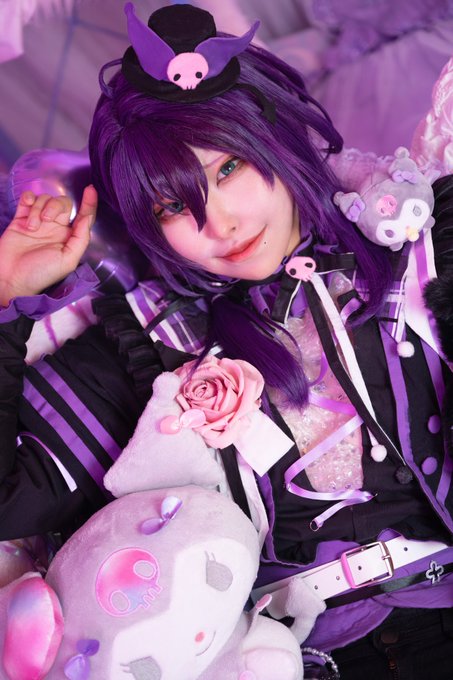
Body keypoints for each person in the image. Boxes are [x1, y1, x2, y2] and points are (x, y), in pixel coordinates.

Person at [0, 3, 453, 677]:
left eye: (229, 168)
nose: (220, 223)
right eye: (174, 205)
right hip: (310, 658)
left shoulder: (416, 249)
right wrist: (6, 300)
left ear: (276, 140)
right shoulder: (148, 342)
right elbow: (11, 499)